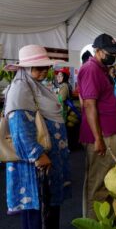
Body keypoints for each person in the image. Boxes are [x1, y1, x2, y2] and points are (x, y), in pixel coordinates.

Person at [4, 45, 71, 229]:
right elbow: (19, 129)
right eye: (39, 67)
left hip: (46, 162)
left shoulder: (33, 86)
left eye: (46, 66)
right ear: (25, 68)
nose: (44, 70)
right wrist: (37, 155)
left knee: (47, 211)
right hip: (36, 165)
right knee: (38, 214)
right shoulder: (20, 89)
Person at [77, 33, 116, 218]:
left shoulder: (102, 69)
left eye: (115, 52)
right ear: (97, 51)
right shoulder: (91, 69)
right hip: (101, 135)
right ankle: (93, 222)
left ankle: (105, 220)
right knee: (97, 184)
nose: (113, 55)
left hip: (108, 133)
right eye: (109, 52)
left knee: (108, 181)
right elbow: (88, 104)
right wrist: (98, 139)